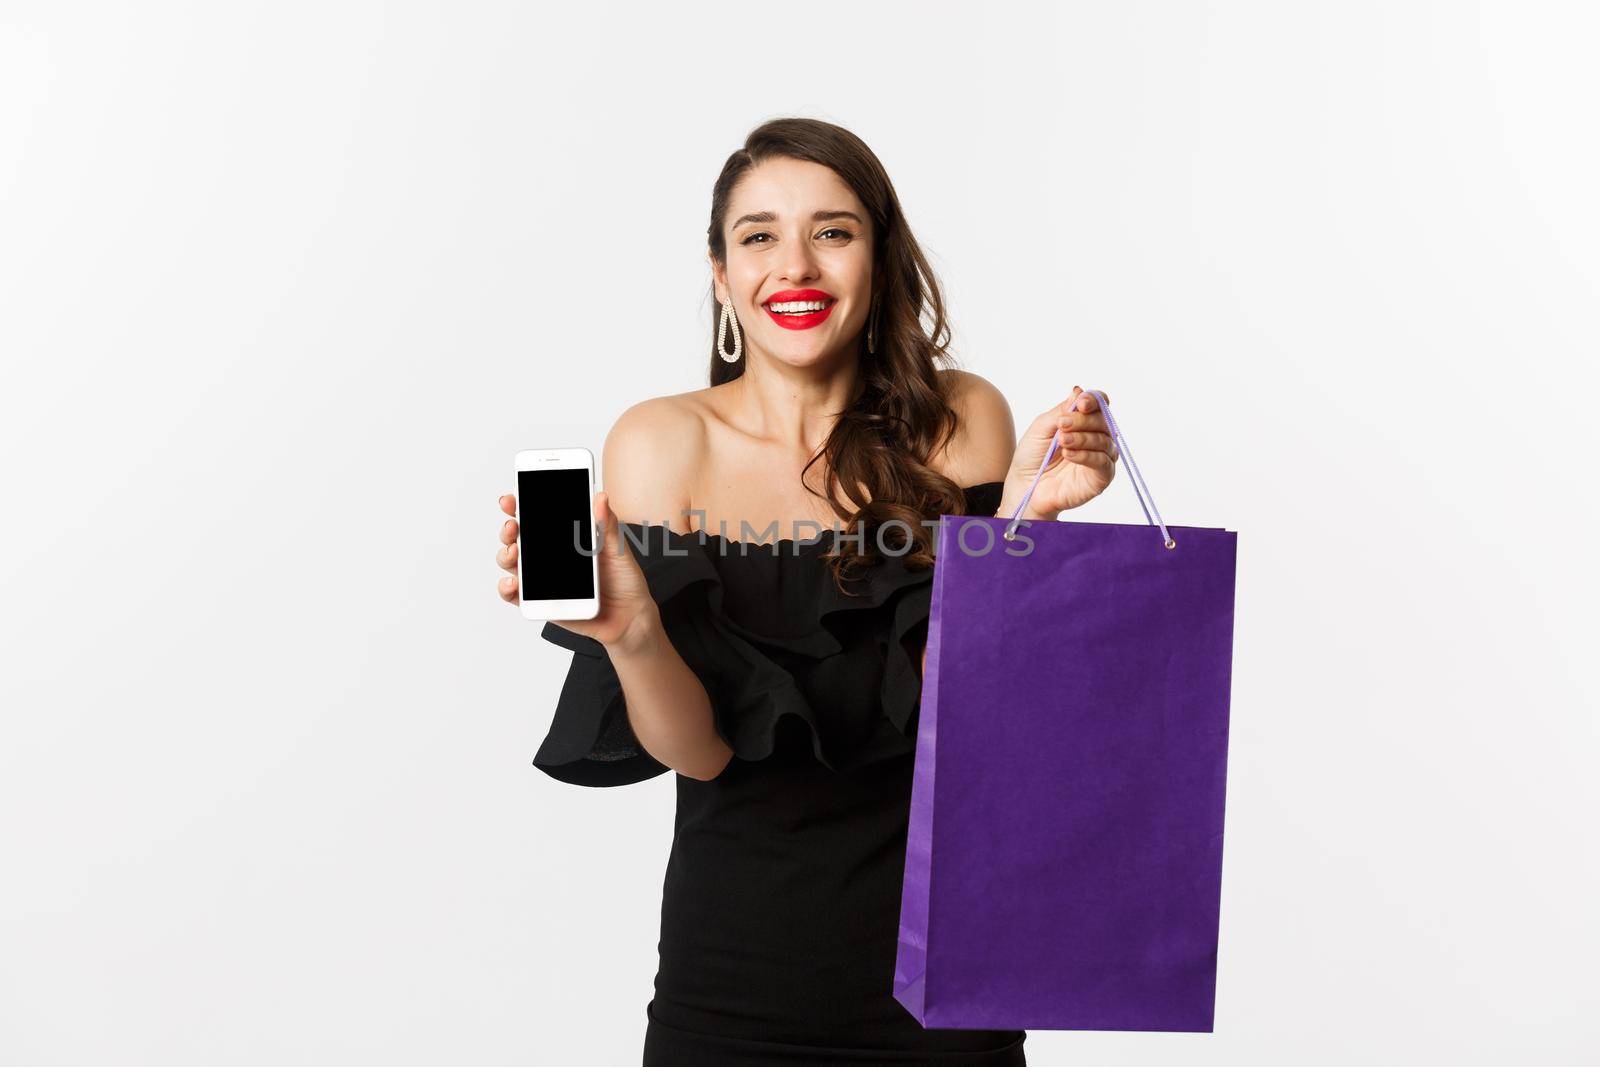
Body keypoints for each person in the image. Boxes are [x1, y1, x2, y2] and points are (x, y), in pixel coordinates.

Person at [495, 118, 1118, 1065]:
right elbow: (700, 754)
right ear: (720, 273)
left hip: (941, 982)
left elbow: (975, 712)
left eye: (832, 232)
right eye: (758, 237)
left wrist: (1026, 527)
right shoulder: (664, 443)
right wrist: (630, 635)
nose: (796, 266)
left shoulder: (961, 423)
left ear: (880, 256)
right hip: (732, 987)